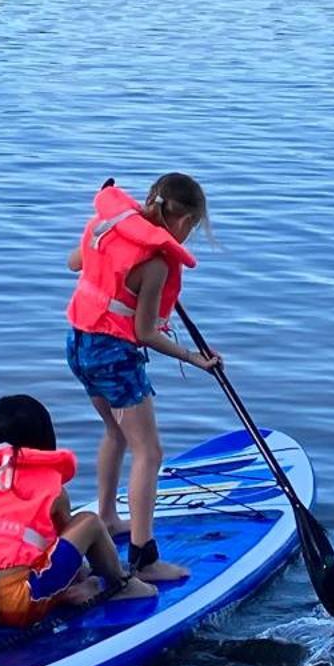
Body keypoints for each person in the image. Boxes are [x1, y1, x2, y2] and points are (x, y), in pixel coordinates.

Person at [64, 174, 222, 584]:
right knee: (149, 452)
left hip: (78, 343)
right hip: (114, 355)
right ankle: (144, 557)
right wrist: (195, 359)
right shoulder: (154, 262)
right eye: (193, 227)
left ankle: (107, 517)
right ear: (183, 220)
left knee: (115, 434)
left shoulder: (110, 225)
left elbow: (75, 262)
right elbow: (145, 332)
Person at [0, 394, 155, 628]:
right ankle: (121, 585)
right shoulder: (52, 487)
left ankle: (74, 590)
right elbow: (70, 553)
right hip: (24, 601)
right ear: (45, 440)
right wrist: (85, 577)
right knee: (89, 522)